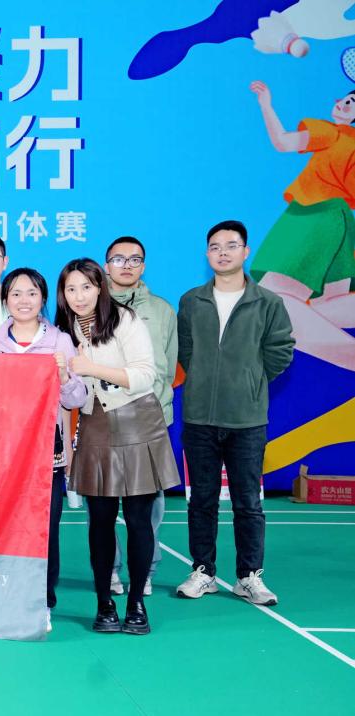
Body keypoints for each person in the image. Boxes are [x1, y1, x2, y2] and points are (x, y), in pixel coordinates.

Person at [55, 258, 180, 635]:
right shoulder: (63, 329)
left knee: (139, 520)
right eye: (71, 289)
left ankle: (137, 603)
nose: (79, 296)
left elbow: (146, 375)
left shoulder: (125, 320)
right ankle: (104, 604)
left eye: (86, 287)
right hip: (94, 426)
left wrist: (91, 368)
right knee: (100, 521)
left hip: (137, 422)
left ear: (101, 287)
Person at [176, 220, 295, 606]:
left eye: (230, 245)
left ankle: (249, 576)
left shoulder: (268, 302)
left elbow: (280, 351)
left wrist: (250, 381)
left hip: (247, 420)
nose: (222, 252)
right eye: (215, 247)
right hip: (199, 418)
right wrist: (203, 378)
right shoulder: (191, 301)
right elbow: (185, 349)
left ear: (245, 252)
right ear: (206, 254)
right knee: (201, 500)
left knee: (248, 502)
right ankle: (203, 572)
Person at [0, 268, 86, 633]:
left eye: (31, 293)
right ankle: (2, 593)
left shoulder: (60, 342)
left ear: (43, 298)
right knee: (3, 524)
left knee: (45, 529)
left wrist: (63, 376)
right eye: (15, 293)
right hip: (5, 456)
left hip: (47, 456)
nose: (23, 300)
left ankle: (43, 598)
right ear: (5, 300)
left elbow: (78, 398)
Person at [247, 80, 355, 371]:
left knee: (272, 302)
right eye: (345, 98)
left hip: (314, 216)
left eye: (352, 102)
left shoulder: (332, 133)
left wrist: (266, 105)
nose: (344, 103)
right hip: (340, 222)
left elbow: (283, 141)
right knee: (326, 306)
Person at [103, 236, 177, 598]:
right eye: (118, 259)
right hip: (104, 419)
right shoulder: (90, 305)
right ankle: (110, 569)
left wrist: (157, 407)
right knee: (103, 503)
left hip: (150, 420)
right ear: (107, 266)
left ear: (143, 266)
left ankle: (144, 570)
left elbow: (169, 366)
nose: (126, 265)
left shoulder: (162, 310)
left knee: (149, 506)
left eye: (134, 259)